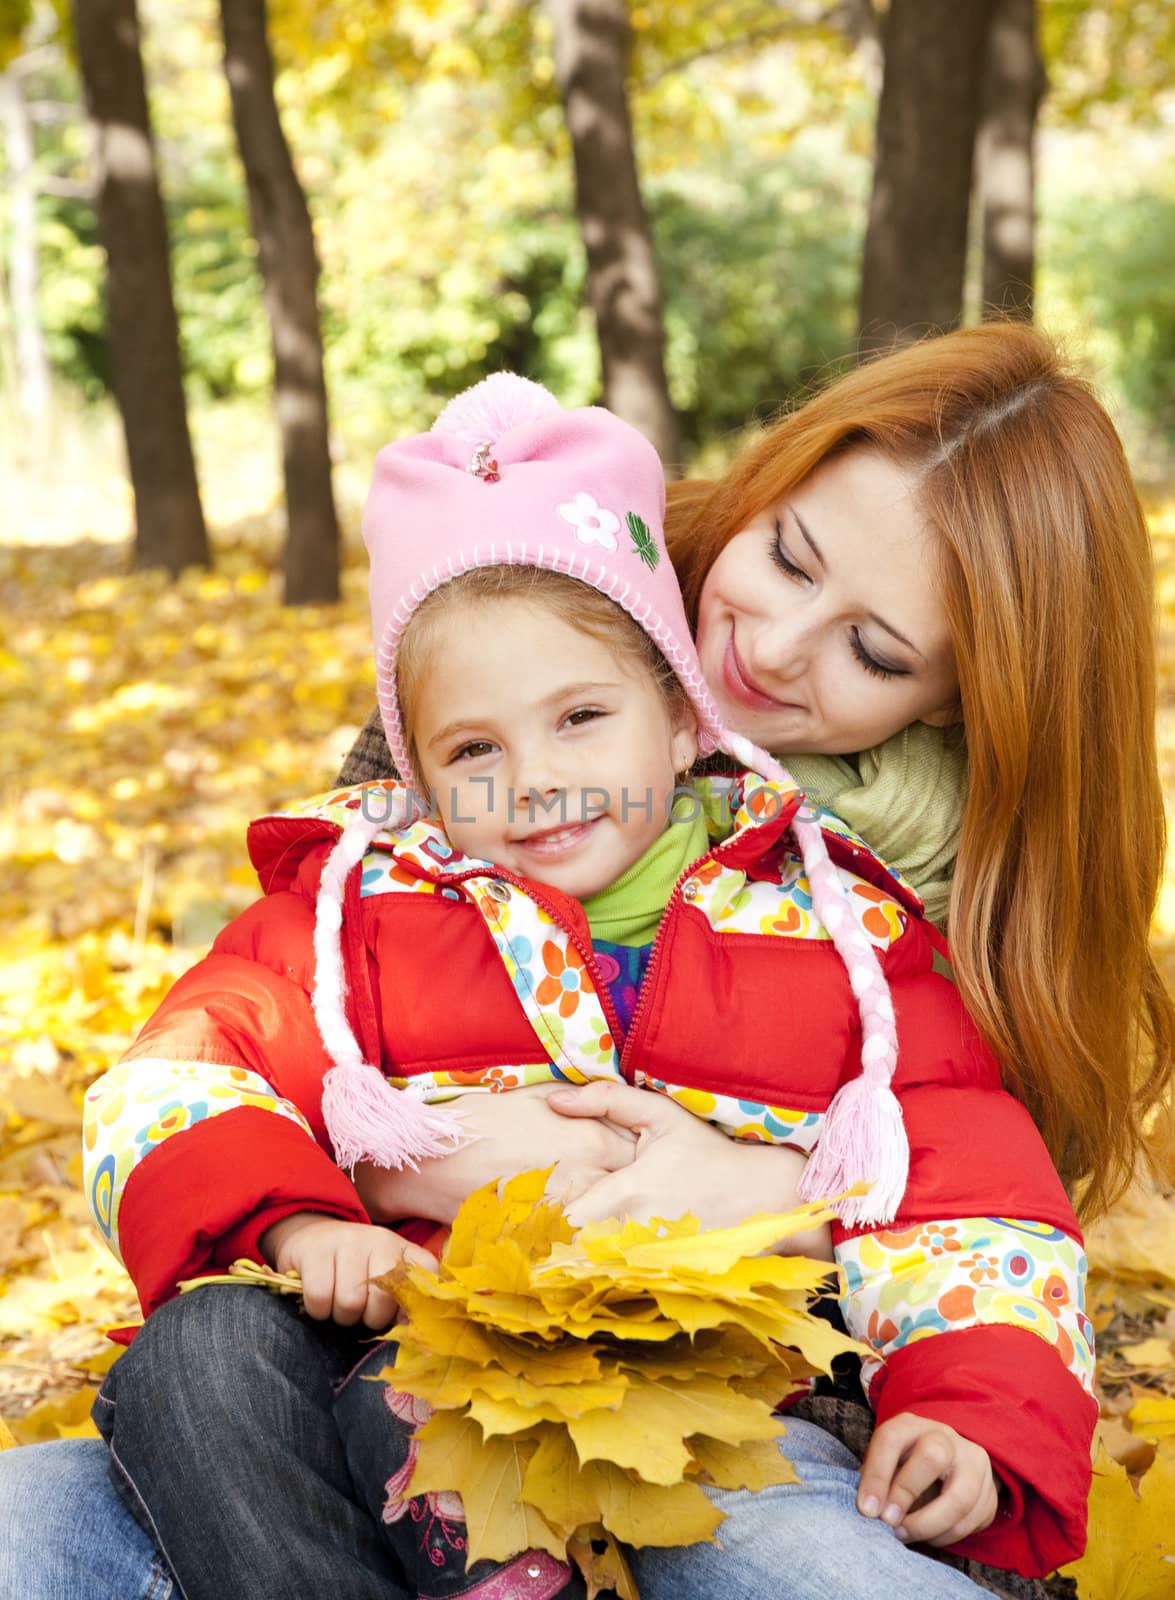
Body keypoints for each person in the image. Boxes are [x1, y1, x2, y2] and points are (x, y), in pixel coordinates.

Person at [1, 325, 1168, 1600]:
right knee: (46, 1518)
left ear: (960, 691)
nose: (771, 648)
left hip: (745, 1418)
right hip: (388, 1361)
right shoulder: (530, 616)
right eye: (783, 555)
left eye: (873, 649)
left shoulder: (868, 921)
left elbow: (979, 1188)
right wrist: (377, 1169)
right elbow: (238, 1041)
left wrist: (795, 1210)